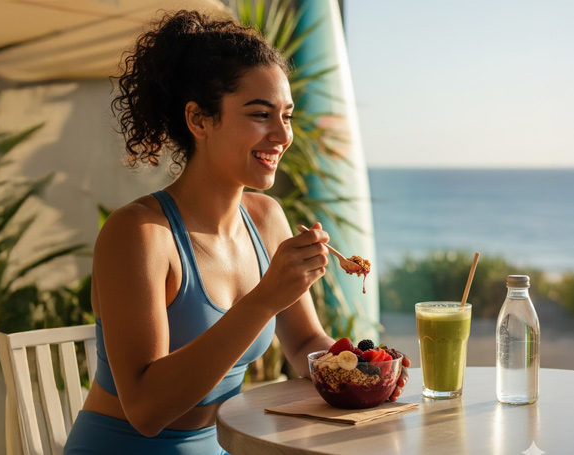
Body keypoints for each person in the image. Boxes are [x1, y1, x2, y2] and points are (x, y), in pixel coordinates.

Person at [63, 10, 409, 455]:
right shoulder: (139, 233)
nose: (282, 135)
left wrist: (365, 369)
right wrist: (264, 297)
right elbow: (146, 410)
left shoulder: (266, 218)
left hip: (226, 445)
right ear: (200, 120)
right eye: (260, 114)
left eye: (286, 115)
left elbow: (303, 342)